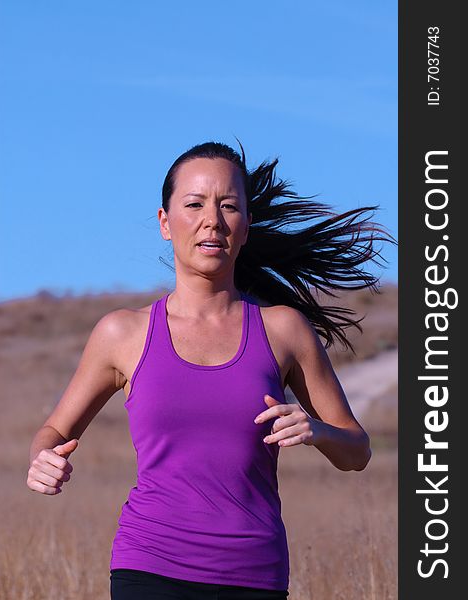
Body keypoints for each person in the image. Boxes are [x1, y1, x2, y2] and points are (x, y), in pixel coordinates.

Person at [27, 140, 393, 600]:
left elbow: (356, 452)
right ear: (165, 222)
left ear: (246, 226)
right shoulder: (123, 333)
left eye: (229, 206)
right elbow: (55, 430)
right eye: (194, 204)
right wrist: (44, 458)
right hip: (148, 566)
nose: (212, 221)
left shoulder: (284, 330)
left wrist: (315, 429)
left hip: (253, 573)